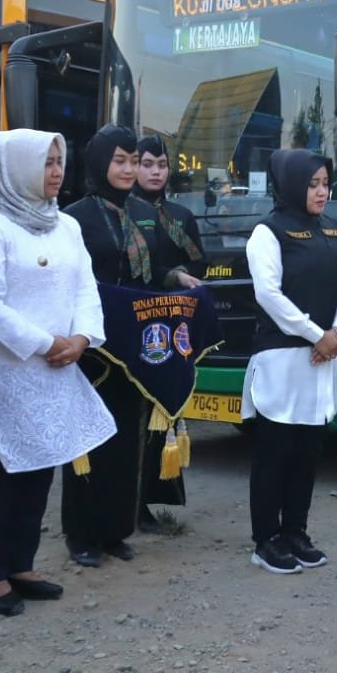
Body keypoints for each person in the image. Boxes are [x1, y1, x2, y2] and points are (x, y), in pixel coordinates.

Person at [0, 129, 116, 616]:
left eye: (58, 161)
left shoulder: (64, 225)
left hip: (58, 365)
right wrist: (47, 343)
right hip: (7, 369)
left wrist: (83, 338)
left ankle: (20, 563)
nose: (56, 172)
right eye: (46, 163)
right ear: (16, 169)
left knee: (40, 466)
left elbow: (86, 288)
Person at [60, 125, 197, 568]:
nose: (129, 169)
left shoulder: (144, 211)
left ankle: (115, 529)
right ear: (100, 162)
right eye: (120, 160)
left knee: (127, 437)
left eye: (134, 161)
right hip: (92, 345)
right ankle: (81, 534)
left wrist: (177, 279)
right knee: (89, 438)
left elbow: (156, 269)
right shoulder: (74, 217)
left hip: (138, 344)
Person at [242, 149, 337, 574]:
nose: (322, 191)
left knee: (308, 451)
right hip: (283, 358)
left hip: (321, 358)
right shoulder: (268, 232)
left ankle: (295, 531)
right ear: (292, 185)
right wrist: (317, 334)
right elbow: (269, 295)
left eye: (326, 183)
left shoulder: (333, 230)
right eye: (312, 184)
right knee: (275, 451)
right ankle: (265, 539)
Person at [132, 134, 206, 533]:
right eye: (147, 164)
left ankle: (151, 502)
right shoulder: (122, 211)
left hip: (173, 328)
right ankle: (131, 504)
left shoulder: (181, 216)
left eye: (161, 165)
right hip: (133, 326)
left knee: (165, 414)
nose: (155, 172)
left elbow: (201, 266)